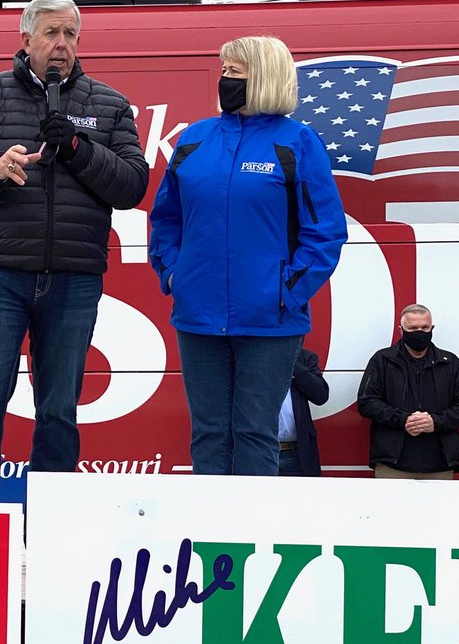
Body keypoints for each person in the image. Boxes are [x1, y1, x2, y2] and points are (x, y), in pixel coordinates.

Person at [0, 0, 149, 502]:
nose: (61, 45)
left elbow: (132, 187)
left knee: (58, 409)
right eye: (51, 33)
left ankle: (51, 527)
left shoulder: (109, 105)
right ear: (25, 38)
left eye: (70, 34)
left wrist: (77, 147)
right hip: (1, 275)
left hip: (74, 278)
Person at [148, 35, 347, 476]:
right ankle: (209, 538)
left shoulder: (297, 142)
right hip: (198, 315)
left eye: (234, 72)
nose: (224, 80)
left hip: (270, 320)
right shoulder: (195, 139)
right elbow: (166, 218)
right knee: (209, 432)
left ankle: (253, 539)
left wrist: (286, 292)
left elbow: (326, 231)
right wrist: (175, 276)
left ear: (263, 77)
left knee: (256, 432)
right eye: (223, 72)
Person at [356, 303, 459, 479]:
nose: (419, 332)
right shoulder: (382, 360)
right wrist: (404, 420)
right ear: (401, 329)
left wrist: (435, 422)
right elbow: (366, 402)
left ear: (432, 328)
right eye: (413, 328)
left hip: (441, 463)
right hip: (392, 464)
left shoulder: (450, 362)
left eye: (424, 327)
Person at [277, 348, 329, 476]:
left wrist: (292, 363)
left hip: (296, 453)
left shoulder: (304, 358)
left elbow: (320, 395)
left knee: (301, 495)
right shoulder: (252, 358)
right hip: (260, 451)